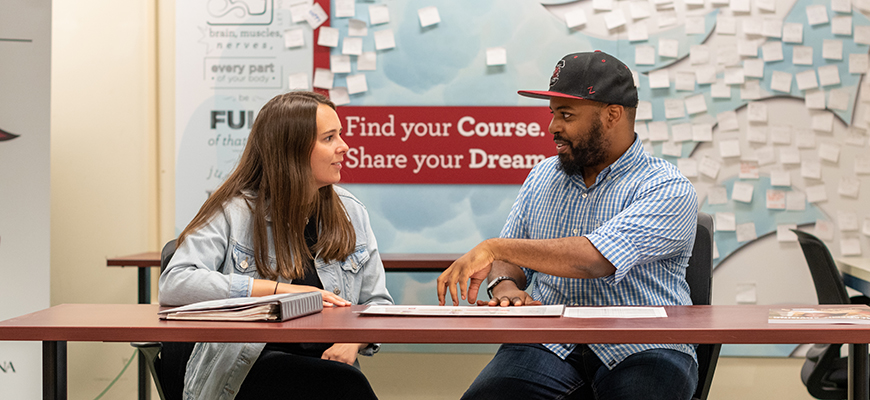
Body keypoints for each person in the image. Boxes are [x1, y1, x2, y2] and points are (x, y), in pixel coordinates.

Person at [436, 51, 699, 400]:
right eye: (552, 114)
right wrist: (505, 288)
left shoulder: (667, 188)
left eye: (566, 115)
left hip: (644, 343)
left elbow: (594, 259)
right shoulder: (543, 175)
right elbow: (511, 258)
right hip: (549, 342)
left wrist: (495, 246)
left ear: (612, 115)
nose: (552, 127)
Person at [159, 91, 393, 400]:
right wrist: (278, 290)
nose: (344, 146)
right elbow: (176, 283)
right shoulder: (234, 212)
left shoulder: (352, 213)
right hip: (245, 368)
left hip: (327, 366)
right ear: (291, 150)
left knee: (340, 381)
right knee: (344, 385)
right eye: (329, 138)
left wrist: (355, 341)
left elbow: (378, 303)